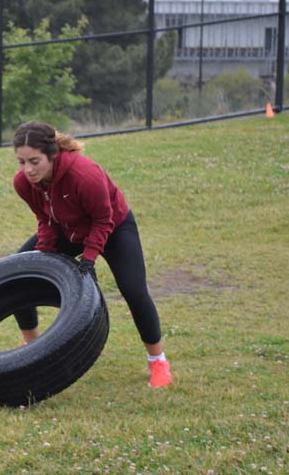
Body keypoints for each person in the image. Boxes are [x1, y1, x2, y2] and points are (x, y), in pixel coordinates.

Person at [11, 120, 172, 388]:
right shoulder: (23, 183)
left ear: (52, 155)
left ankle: (158, 362)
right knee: (19, 273)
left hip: (113, 228)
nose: (27, 169)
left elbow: (103, 219)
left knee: (134, 290)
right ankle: (31, 345)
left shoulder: (84, 174)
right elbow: (44, 218)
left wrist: (89, 258)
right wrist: (45, 252)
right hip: (67, 229)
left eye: (34, 161)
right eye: (21, 162)